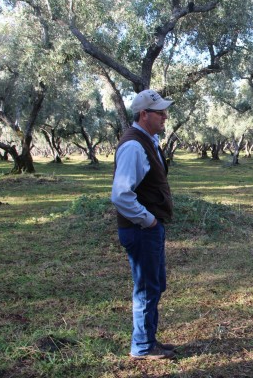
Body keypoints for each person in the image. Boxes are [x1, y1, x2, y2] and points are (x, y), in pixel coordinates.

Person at [111, 89, 176, 360]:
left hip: (148, 228)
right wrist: (147, 219)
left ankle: (148, 340)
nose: (164, 116)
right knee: (147, 288)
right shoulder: (134, 146)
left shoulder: (149, 140)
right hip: (141, 230)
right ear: (143, 114)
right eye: (159, 111)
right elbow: (121, 194)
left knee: (154, 285)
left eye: (164, 111)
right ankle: (142, 347)